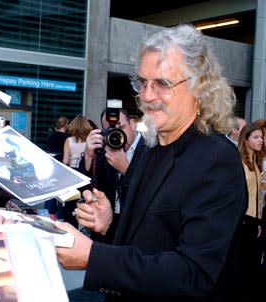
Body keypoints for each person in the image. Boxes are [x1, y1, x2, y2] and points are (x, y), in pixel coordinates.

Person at [56, 24, 247, 302]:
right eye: (142, 83)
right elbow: (150, 236)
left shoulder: (216, 160)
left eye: (162, 83)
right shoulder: (150, 146)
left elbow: (193, 274)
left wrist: (93, 257)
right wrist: (110, 224)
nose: (146, 96)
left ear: (199, 88)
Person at [77, 108, 145, 241]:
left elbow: (150, 191)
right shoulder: (103, 150)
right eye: (109, 129)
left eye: (121, 127)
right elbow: (85, 189)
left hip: (135, 229)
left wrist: (126, 168)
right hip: (107, 228)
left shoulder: (150, 148)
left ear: (133, 124)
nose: (116, 133)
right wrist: (88, 157)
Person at [238, 123, 265, 302]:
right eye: (256, 137)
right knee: (243, 268)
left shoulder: (256, 162)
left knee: (253, 267)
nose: (261, 140)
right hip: (243, 221)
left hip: (255, 221)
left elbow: (258, 194)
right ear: (246, 140)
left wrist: (259, 221)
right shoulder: (239, 162)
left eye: (261, 137)